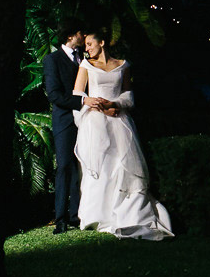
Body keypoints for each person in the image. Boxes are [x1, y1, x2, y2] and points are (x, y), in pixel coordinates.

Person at [73, 28, 173, 240]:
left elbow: (128, 95)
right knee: (101, 164)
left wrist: (115, 104)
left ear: (102, 43)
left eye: (89, 44)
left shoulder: (123, 65)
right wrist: (95, 105)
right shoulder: (86, 65)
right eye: (85, 46)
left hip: (119, 121)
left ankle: (126, 213)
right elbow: (78, 93)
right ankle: (95, 215)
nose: (87, 48)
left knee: (122, 165)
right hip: (95, 121)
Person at [43, 18, 106, 234]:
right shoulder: (52, 60)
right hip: (65, 120)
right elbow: (54, 94)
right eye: (80, 33)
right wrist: (82, 101)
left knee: (84, 164)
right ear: (71, 36)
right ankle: (60, 217)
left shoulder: (86, 58)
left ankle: (77, 214)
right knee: (64, 166)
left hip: (89, 119)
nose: (84, 36)